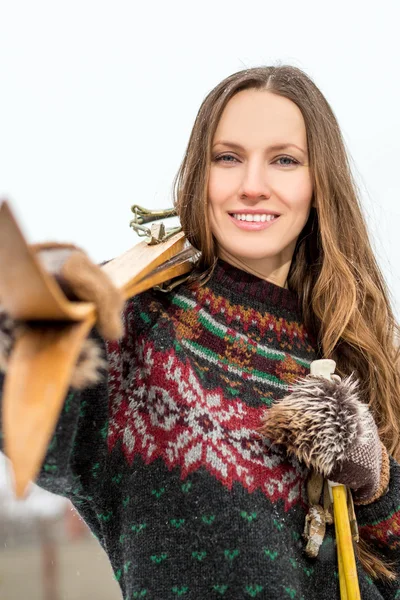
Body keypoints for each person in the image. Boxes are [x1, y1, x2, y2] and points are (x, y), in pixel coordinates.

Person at [1, 65, 400, 600]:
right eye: (227, 157)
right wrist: (29, 317)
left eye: (284, 160)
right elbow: (29, 417)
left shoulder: (358, 354)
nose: (252, 186)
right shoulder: (140, 329)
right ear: (199, 174)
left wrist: (376, 483)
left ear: (319, 181)